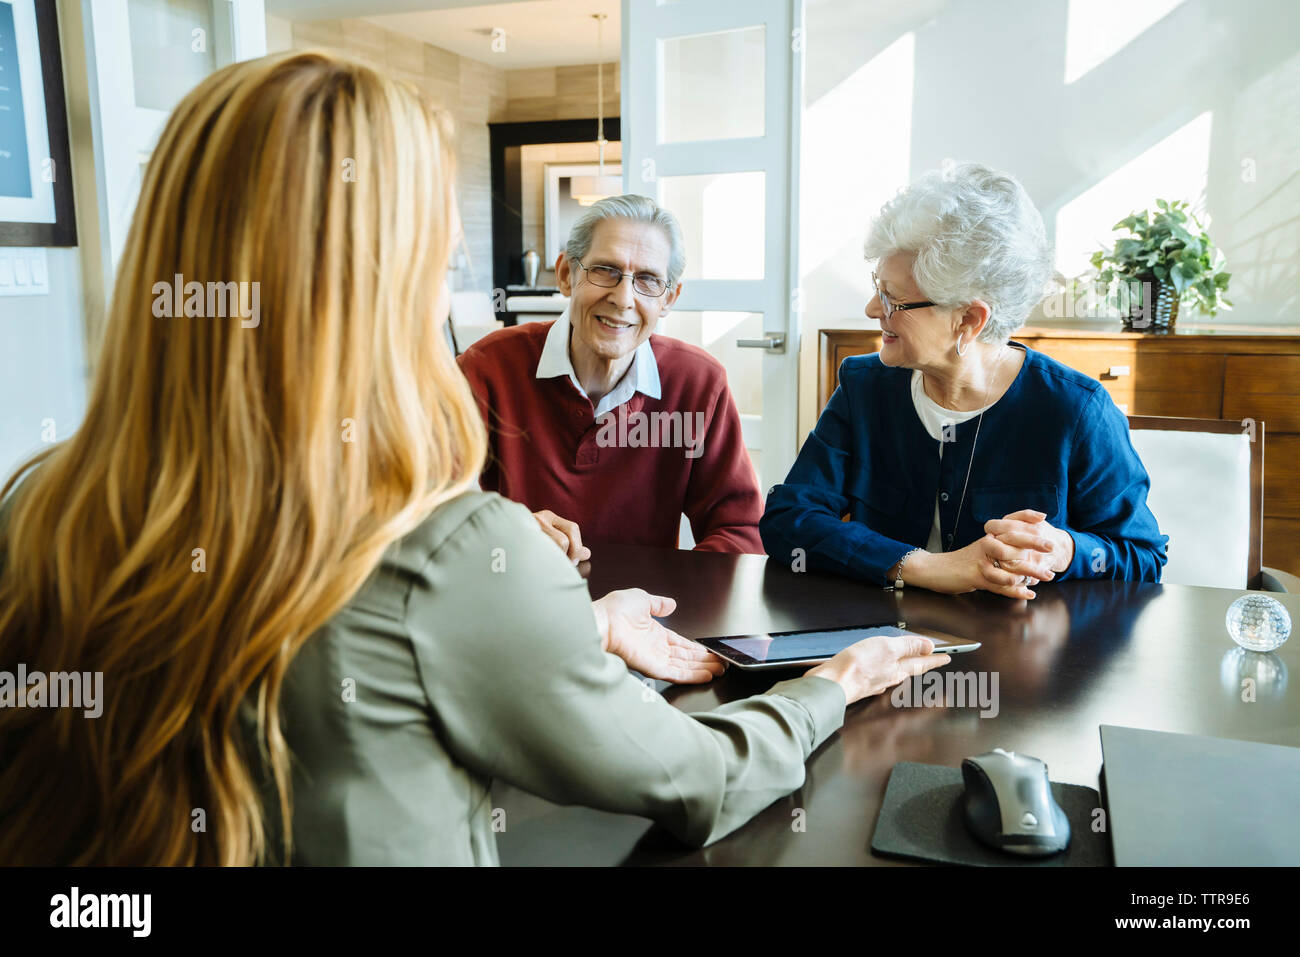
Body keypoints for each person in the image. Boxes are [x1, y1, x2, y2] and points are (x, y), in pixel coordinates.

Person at [0, 52, 948, 866]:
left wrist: (572, 628)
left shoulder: (39, 509)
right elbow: (698, 778)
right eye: (439, 263)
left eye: (649, 279)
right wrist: (829, 685)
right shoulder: (441, 552)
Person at [761, 163, 1168, 596]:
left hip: (1023, 654)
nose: (871, 310)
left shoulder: (1076, 409)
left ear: (969, 320)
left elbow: (1143, 558)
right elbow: (790, 520)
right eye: (877, 287)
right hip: (882, 647)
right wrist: (923, 567)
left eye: (891, 299)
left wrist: (1066, 549)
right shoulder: (864, 388)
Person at [457, 194, 763, 559]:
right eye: (605, 270)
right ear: (567, 275)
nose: (623, 298)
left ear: (669, 299)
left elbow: (739, 530)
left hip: (647, 611)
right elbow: (423, 509)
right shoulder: (487, 368)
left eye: (648, 280)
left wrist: (666, 603)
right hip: (520, 603)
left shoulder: (699, 384)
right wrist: (505, 531)